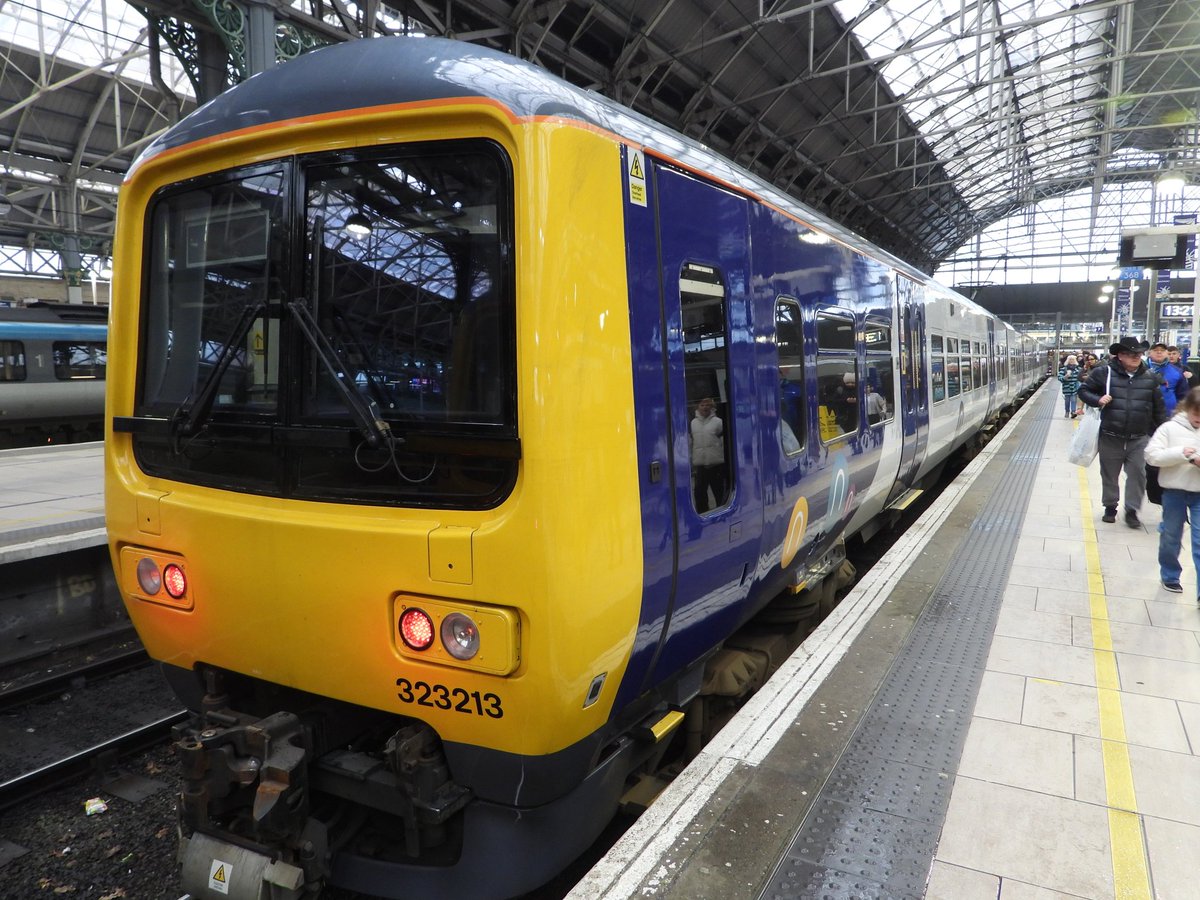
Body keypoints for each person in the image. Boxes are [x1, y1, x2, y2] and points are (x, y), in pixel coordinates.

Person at [1077, 336, 1167, 527]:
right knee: (1109, 474)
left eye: (1138, 354)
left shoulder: (1150, 377)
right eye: (1130, 354)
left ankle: (1132, 510)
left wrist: (1163, 433)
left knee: (1138, 474)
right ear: (1120, 356)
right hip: (1111, 434)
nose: (1136, 357)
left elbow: (1159, 408)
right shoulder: (1104, 373)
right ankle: (1110, 507)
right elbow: (1084, 390)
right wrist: (1098, 400)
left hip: (1139, 437)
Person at [1144, 386, 1200, 598]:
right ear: (1187, 408)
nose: (1199, 419)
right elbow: (1152, 456)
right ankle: (1170, 575)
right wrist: (1181, 454)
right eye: (1196, 413)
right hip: (1173, 492)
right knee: (1170, 537)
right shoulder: (1169, 428)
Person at [690, 397, 726, 513]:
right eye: (702, 405)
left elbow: (724, 440)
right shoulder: (693, 423)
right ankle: (703, 513)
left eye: (707, 405)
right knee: (699, 494)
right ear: (698, 407)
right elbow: (691, 442)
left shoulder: (718, 422)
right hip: (700, 466)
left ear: (712, 408)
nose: (705, 407)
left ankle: (722, 514)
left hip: (716, 465)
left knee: (719, 492)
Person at [1146, 342, 1188, 415]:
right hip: (1144, 417)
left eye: (1162, 350)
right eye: (1155, 350)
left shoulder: (1177, 372)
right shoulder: (1141, 370)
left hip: (1168, 416)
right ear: (1149, 353)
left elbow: (1183, 396)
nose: (1159, 352)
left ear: (1166, 353)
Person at [1057, 354, 1082, 418]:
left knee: (1073, 400)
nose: (1071, 361)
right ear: (1068, 360)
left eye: (1073, 360)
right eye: (1070, 359)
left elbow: (1081, 377)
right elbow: (1059, 377)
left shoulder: (1078, 369)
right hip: (1066, 387)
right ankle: (1067, 411)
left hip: (1074, 387)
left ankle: (1073, 412)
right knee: (1067, 401)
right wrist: (1065, 377)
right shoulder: (1063, 369)